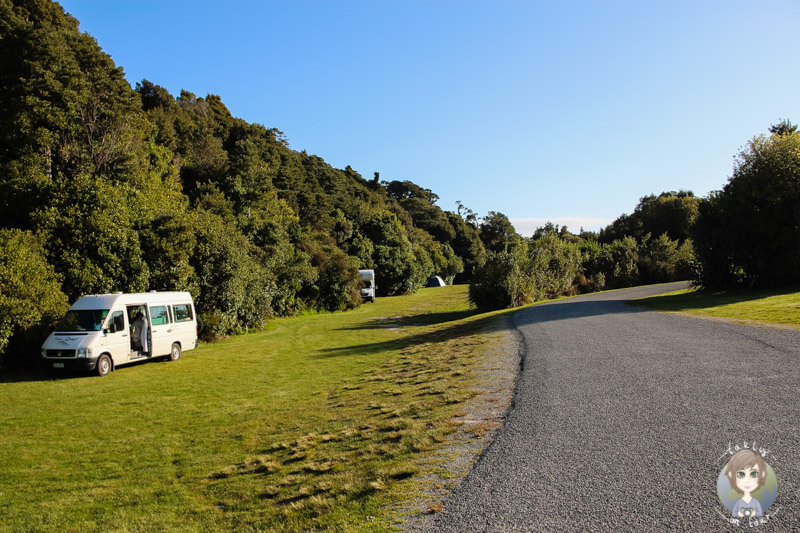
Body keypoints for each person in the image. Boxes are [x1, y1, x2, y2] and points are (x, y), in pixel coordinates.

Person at [726, 449, 767, 518]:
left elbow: (760, 513)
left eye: (754, 474)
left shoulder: (755, 502)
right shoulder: (739, 502)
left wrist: (753, 513)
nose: (747, 480)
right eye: (740, 474)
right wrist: (739, 514)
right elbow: (734, 513)